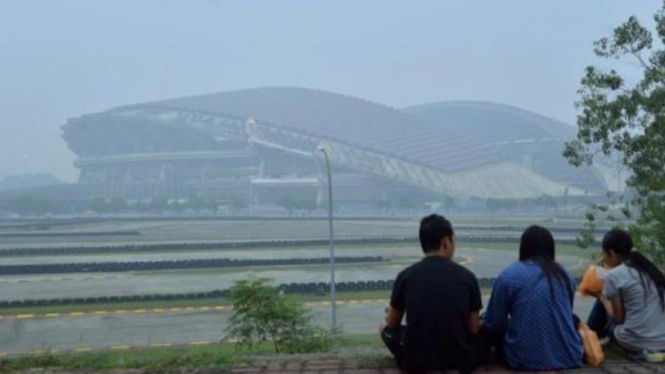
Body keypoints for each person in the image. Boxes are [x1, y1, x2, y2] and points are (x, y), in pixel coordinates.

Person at [380, 214, 483, 374]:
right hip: (460, 362)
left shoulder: (406, 276)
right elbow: (474, 328)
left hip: (416, 363)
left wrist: (389, 315)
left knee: (383, 328)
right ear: (445, 242)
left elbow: (392, 324)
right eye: (453, 240)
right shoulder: (467, 277)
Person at [481, 225, 583, 371]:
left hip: (523, 360)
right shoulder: (566, 275)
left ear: (523, 248)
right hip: (570, 356)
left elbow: (495, 324)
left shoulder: (509, 275)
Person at [586, 229, 665, 361]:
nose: (603, 258)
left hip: (634, 340)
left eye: (605, 254)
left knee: (604, 295)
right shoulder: (652, 272)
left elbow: (617, 319)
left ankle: (591, 337)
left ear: (612, 254)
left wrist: (601, 296)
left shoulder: (614, 275)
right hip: (662, 340)